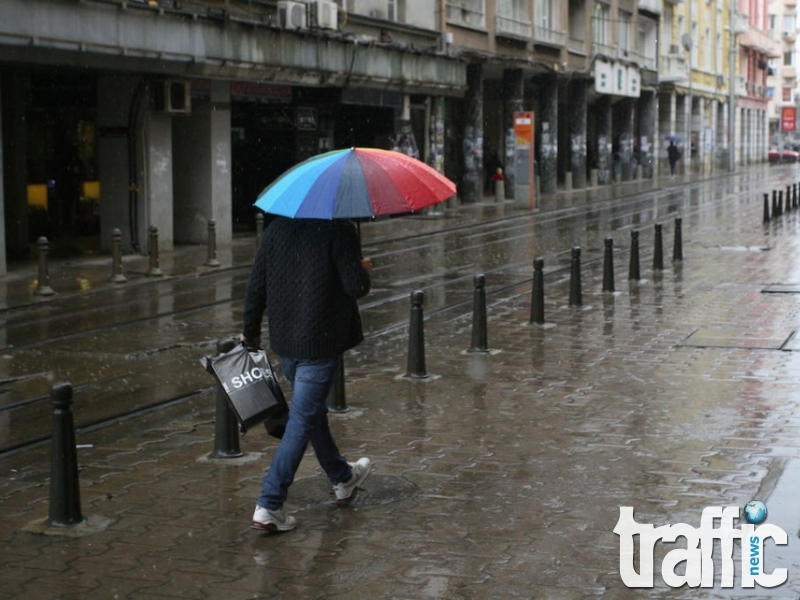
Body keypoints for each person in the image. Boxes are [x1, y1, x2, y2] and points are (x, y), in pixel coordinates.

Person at [241, 216, 373, 532]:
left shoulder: (276, 229)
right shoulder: (339, 230)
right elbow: (355, 286)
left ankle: (342, 478)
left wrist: (250, 331)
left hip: (286, 342)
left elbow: (256, 284)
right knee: (302, 420)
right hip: (319, 342)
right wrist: (362, 268)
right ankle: (270, 503)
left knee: (310, 414)